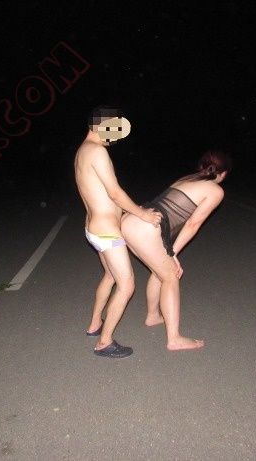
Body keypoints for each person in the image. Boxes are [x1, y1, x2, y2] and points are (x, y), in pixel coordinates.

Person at [74, 105, 162, 358]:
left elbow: (101, 194)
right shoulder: (97, 151)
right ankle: (104, 342)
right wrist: (142, 214)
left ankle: (94, 324)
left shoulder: (82, 151)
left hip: (94, 229)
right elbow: (114, 192)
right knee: (127, 284)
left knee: (110, 277)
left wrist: (128, 211)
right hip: (107, 233)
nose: (115, 137)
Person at [120, 150, 231, 351]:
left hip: (132, 220)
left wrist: (170, 252)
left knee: (159, 271)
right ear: (223, 174)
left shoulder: (187, 179)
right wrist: (172, 253)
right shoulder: (216, 191)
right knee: (170, 275)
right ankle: (174, 338)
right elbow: (193, 224)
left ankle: (153, 316)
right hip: (146, 227)